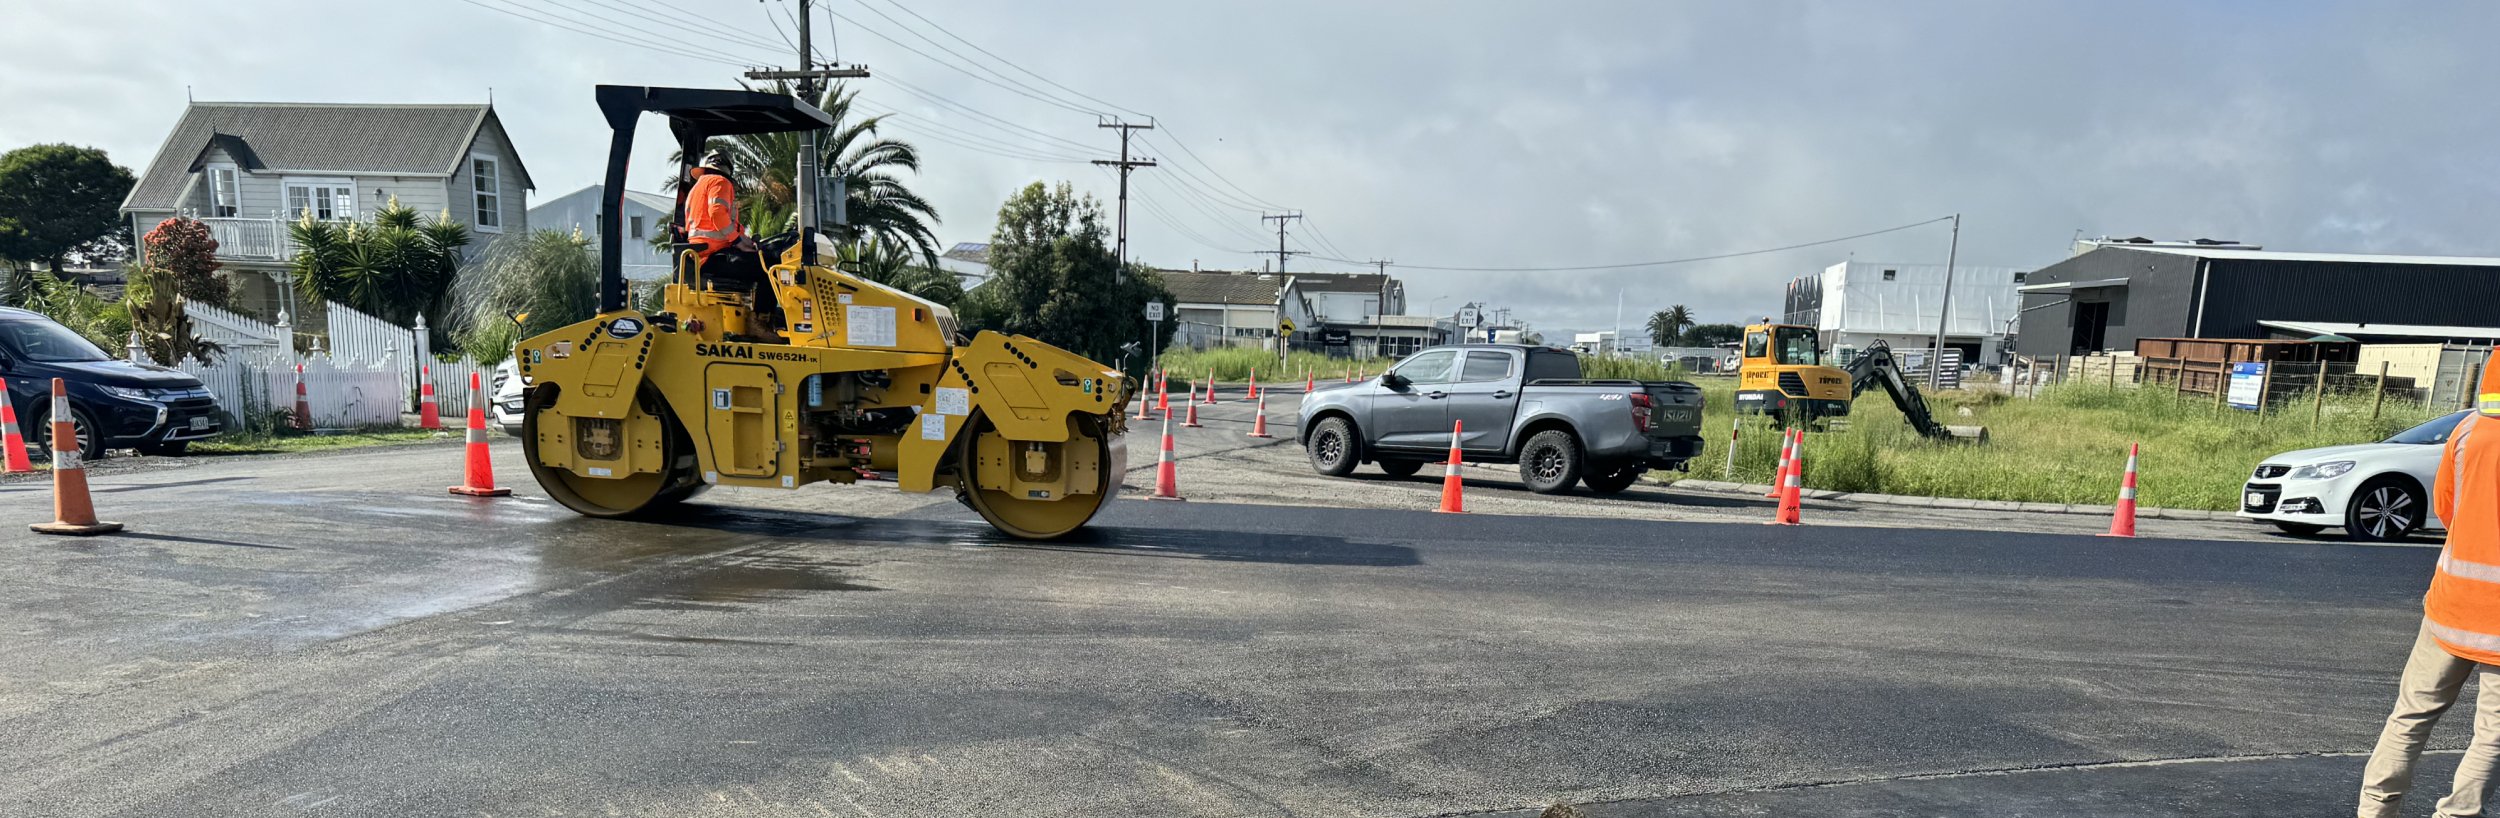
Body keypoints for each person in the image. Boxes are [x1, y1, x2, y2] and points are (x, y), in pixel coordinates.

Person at [2360, 354, 2500, 818]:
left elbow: (2445, 507)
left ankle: (2376, 809)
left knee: (2410, 716)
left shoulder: (2467, 431)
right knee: (2491, 734)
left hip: (2452, 606)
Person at [680, 150, 776, 330]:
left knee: (761, 261)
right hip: (714, 256)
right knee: (770, 267)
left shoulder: (696, 188)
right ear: (728, 169)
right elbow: (717, 214)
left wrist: (745, 241)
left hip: (702, 256)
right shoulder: (720, 181)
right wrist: (738, 242)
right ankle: (761, 323)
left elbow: (709, 224)